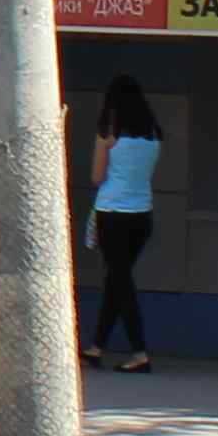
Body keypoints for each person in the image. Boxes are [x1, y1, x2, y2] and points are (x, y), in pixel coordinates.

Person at [86, 76, 165, 372]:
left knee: (120, 282)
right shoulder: (154, 136)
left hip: (112, 213)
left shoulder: (109, 133)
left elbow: (96, 177)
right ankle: (95, 347)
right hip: (142, 216)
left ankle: (139, 352)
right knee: (117, 280)